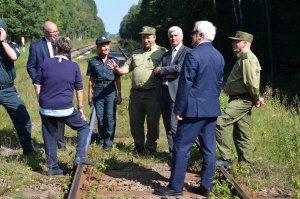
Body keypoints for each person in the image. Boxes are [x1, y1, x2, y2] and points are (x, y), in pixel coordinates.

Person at [154, 21, 225, 197]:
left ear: (200, 36)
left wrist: (178, 109)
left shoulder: (193, 55)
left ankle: (175, 187)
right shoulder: (219, 56)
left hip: (193, 111)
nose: (191, 36)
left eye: (193, 33)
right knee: (209, 149)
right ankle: (206, 185)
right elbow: (219, 84)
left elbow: (185, 85)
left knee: (181, 147)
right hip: (212, 110)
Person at [33, 36, 91, 176]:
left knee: (50, 136)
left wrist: (41, 100)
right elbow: (79, 89)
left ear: (56, 49)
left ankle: (53, 168)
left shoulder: (45, 63)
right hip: (66, 109)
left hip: (46, 108)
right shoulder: (73, 66)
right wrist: (81, 109)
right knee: (83, 126)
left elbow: (37, 83)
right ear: (68, 50)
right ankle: (80, 156)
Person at [109, 26, 166, 155]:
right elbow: (126, 68)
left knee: (153, 122)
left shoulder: (162, 52)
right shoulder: (135, 53)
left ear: (154, 37)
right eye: (143, 37)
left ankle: (151, 147)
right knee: (135, 121)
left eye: (148, 37)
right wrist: (117, 70)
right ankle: (139, 146)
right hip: (135, 94)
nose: (145, 40)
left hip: (153, 93)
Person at [216, 31, 264, 168]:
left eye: (236, 41)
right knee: (242, 133)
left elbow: (251, 83)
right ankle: (245, 165)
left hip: (242, 100)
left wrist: (256, 98)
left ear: (245, 43)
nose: (233, 43)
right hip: (240, 99)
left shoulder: (247, 59)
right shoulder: (243, 58)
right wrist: (256, 98)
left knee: (220, 122)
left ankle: (226, 159)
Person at [26, 20, 66, 150]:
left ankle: (61, 143)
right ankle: (50, 143)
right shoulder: (36, 46)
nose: (56, 34)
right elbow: (30, 67)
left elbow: (68, 62)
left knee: (61, 114)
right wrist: (38, 81)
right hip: (44, 87)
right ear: (45, 33)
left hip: (60, 86)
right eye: (53, 32)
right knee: (47, 115)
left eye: (56, 31)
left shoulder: (62, 44)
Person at [0, 18, 36, 155]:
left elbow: (14, 56)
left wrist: (2, 41)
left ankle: (28, 148)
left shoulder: (11, 44)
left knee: (23, 118)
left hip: (8, 90)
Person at [153, 26, 190, 160]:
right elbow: (156, 71)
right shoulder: (167, 54)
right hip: (164, 93)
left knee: (175, 126)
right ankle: (172, 154)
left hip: (177, 94)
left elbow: (180, 68)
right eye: (171, 36)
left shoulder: (187, 52)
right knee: (167, 126)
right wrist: (167, 72)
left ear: (181, 37)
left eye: (175, 35)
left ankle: (180, 156)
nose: (173, 38)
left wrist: (163, 70)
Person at [86, 36, 122, 150]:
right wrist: (89, 95)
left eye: (106, 45)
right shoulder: (93, 61)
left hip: (110, 89)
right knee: (100, 117)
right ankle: (101, 139)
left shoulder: (114, 61)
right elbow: (91, 80)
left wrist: (119, 94)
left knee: (109, 116)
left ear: (109, 47)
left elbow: (117, 79)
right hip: (98, 90)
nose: (105, 47)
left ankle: (109, 141)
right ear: (98, 47)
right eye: (102, 45)